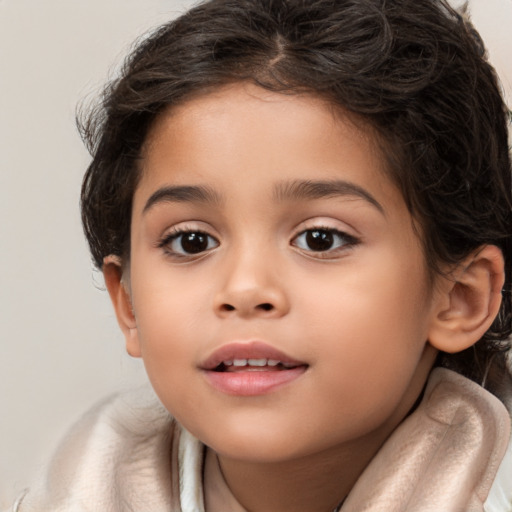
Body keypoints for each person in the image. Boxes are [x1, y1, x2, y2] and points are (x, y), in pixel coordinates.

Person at [8, 0, 512, 510]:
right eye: (192, 241)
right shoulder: (77, 490)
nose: (245, 289)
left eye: (320, 238)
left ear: (460, 297)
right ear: (129, 303)